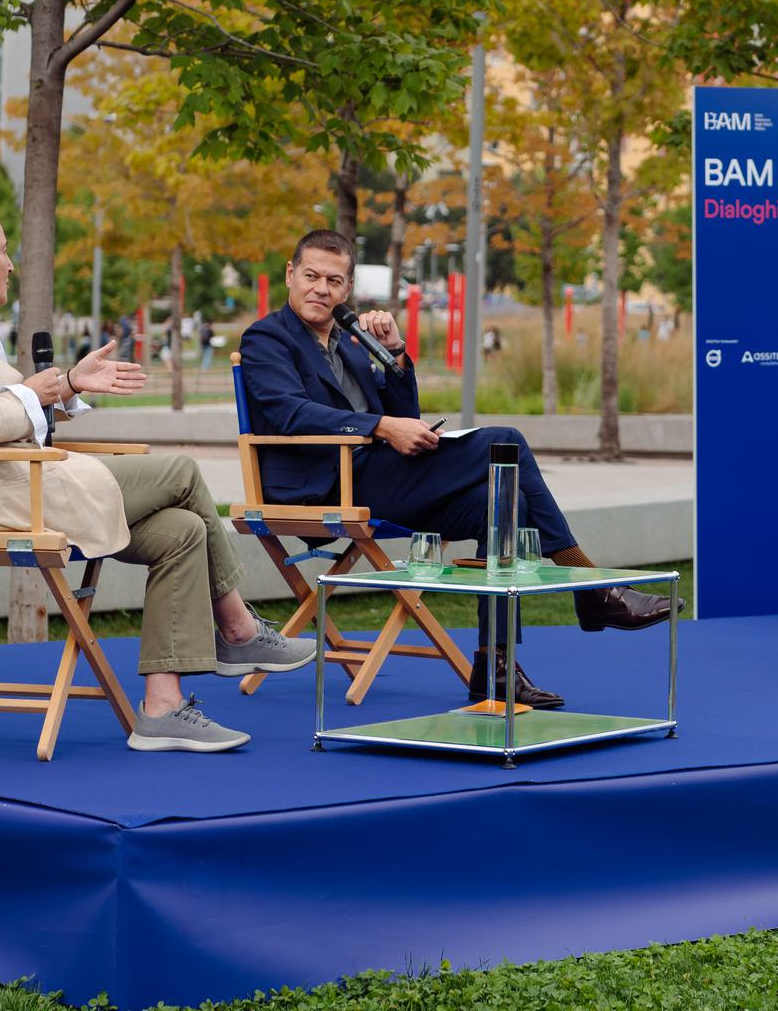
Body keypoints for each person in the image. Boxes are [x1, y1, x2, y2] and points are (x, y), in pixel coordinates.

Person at [0, 201, 315, 753]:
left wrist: (67, 383)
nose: (10, 264)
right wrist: (39, 391)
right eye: (2, 251)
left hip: (10, 486)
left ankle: (162, 709)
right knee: (182, 471)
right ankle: (237, 629)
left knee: (182, 530)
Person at [237, 229, 677, 709]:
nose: (321, 288)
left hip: (380, 477)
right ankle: (593, 587)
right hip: (325, 486)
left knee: (505, 504)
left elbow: (404, 410)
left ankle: (495, 668)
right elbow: (289, 414)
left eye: (334, 280)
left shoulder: (349, 342)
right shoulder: (266, 338)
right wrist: (383, 427)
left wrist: (397, 355)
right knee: (505, 441)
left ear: (348, 289)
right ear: (290, 275)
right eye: (311, 276)